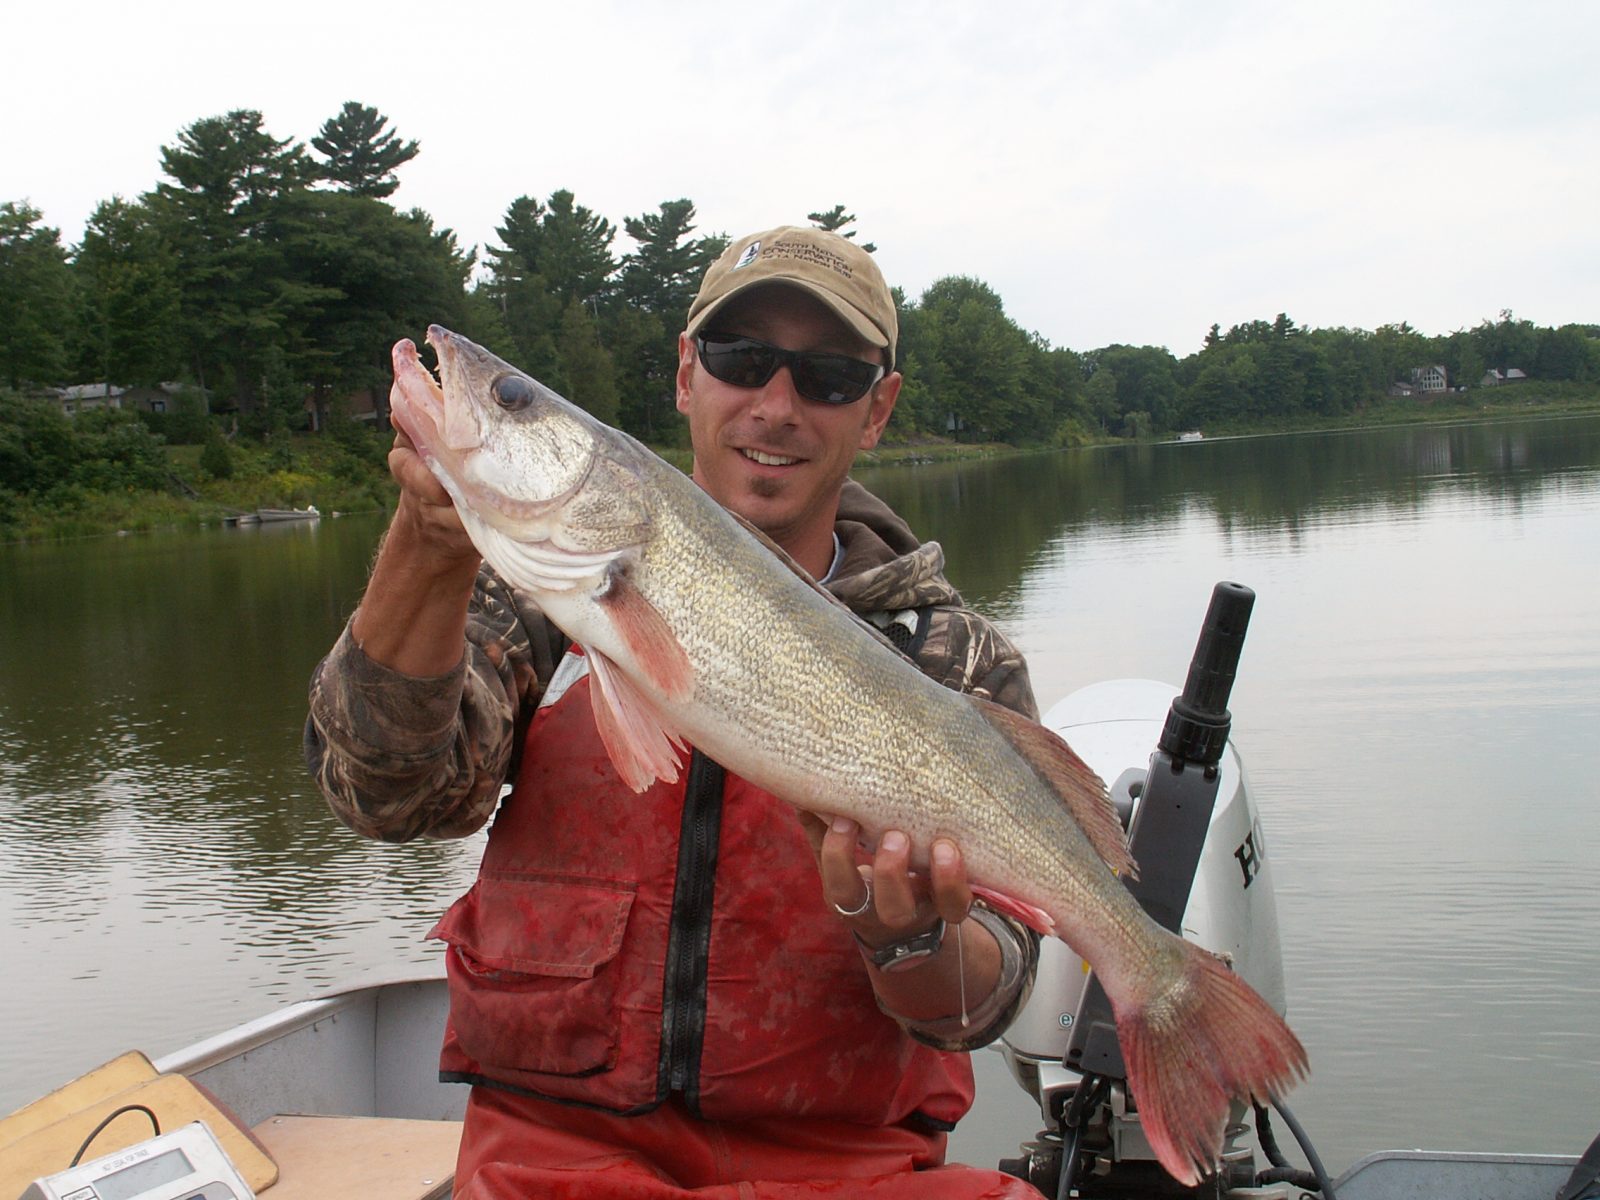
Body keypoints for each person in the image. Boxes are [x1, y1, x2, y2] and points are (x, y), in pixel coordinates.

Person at [305, 225, 1044, 1198]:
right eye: (742, 361)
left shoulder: (958, 661)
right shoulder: (533, 595)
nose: (775, 407)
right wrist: (428, 545)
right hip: (553, 1159)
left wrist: (908, 938)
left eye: (827, 377)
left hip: (849, 1172)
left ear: (878, 410)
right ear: (687, 373)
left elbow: (979, 1004)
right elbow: (384, 797)